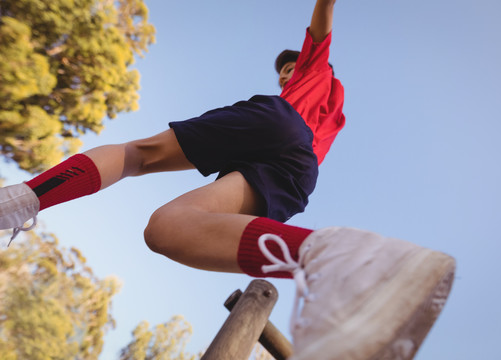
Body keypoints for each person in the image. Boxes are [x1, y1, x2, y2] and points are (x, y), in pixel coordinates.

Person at [0, 1, 455, 359]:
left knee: (140, 155)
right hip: (297, 174)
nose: (284, 74)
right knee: (168, 229)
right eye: (282, 72)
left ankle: (20, 202)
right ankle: (351, 265)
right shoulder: (332, 116)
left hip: (280, 126)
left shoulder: (317, 72)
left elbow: (321, 24)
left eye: (289, 69)